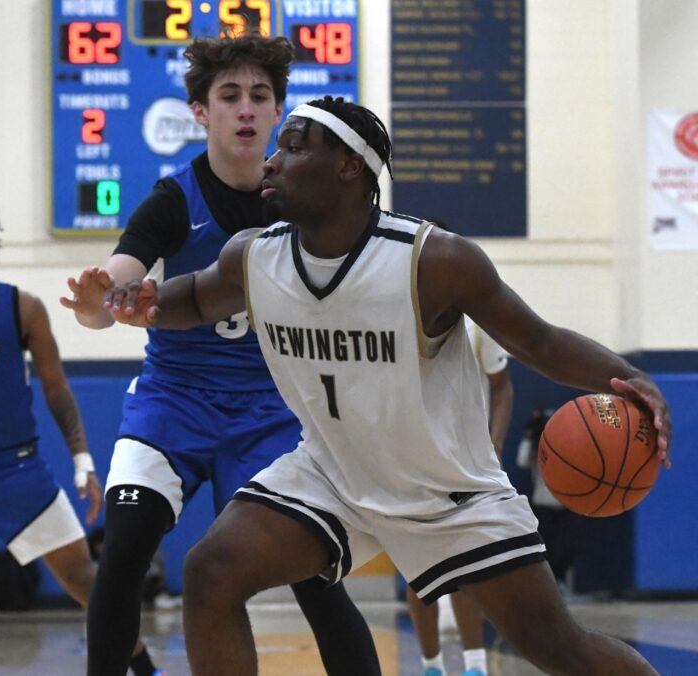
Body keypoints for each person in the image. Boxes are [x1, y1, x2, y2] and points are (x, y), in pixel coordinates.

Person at [105, 95, 672, 676]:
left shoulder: (434, 261)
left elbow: (541, 343)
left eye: (295, 146)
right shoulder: (254, 255)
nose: (271, 161)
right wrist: (146, 304)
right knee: (211, 570)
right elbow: (196, 297)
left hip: (447, 494)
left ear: (350, 166)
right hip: (332, 475)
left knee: (561, 650)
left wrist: (632, 376)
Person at [60, 35, 381, 676]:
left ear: (278, 111)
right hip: (172, 404)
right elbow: (115, 292)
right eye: (229, 95)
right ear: (200, 112)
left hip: (270, 413)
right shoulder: (173, 199)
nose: (245, 109)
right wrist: (97, 302)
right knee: (122, 553)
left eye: (259, 96)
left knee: (316, 576)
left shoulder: (304, 204)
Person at [0, 191, 161, 676]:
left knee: (84, 578)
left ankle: (143, 667)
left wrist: (82, 461)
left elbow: (56, 389)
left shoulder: (23, 307)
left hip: (13, 467)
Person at [407, 317, 514, 676]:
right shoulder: (395, 307)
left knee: (465, 564)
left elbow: (501, 387)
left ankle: (474, 667)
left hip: (464, 458)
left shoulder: (480, 316)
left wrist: (494, 444)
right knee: (417, 570)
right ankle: (431, 667)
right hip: (410, 454)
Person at [516, 405, 582, 587]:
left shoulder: (568, 446)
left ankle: (560, 577)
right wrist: (530, 436)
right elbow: (521, 461)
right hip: (542, 505)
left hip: (566, 505)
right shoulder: (537, 448)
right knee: (546, 549)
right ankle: (550, 584)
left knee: (571, 546)